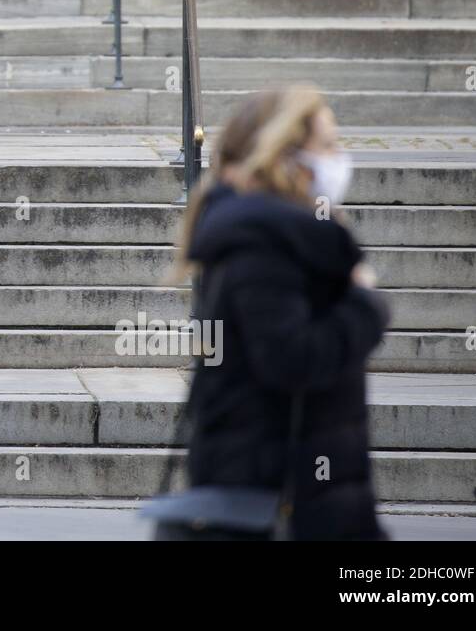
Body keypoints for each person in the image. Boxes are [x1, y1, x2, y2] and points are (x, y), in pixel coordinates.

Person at [165, 85, 390, 540]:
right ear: (285, 157)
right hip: (279, 494)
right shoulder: (265, 244)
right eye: (326, 145)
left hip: (295, 487)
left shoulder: (276, 235)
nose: (338, 158)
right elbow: (292, 358)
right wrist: (364, 307)